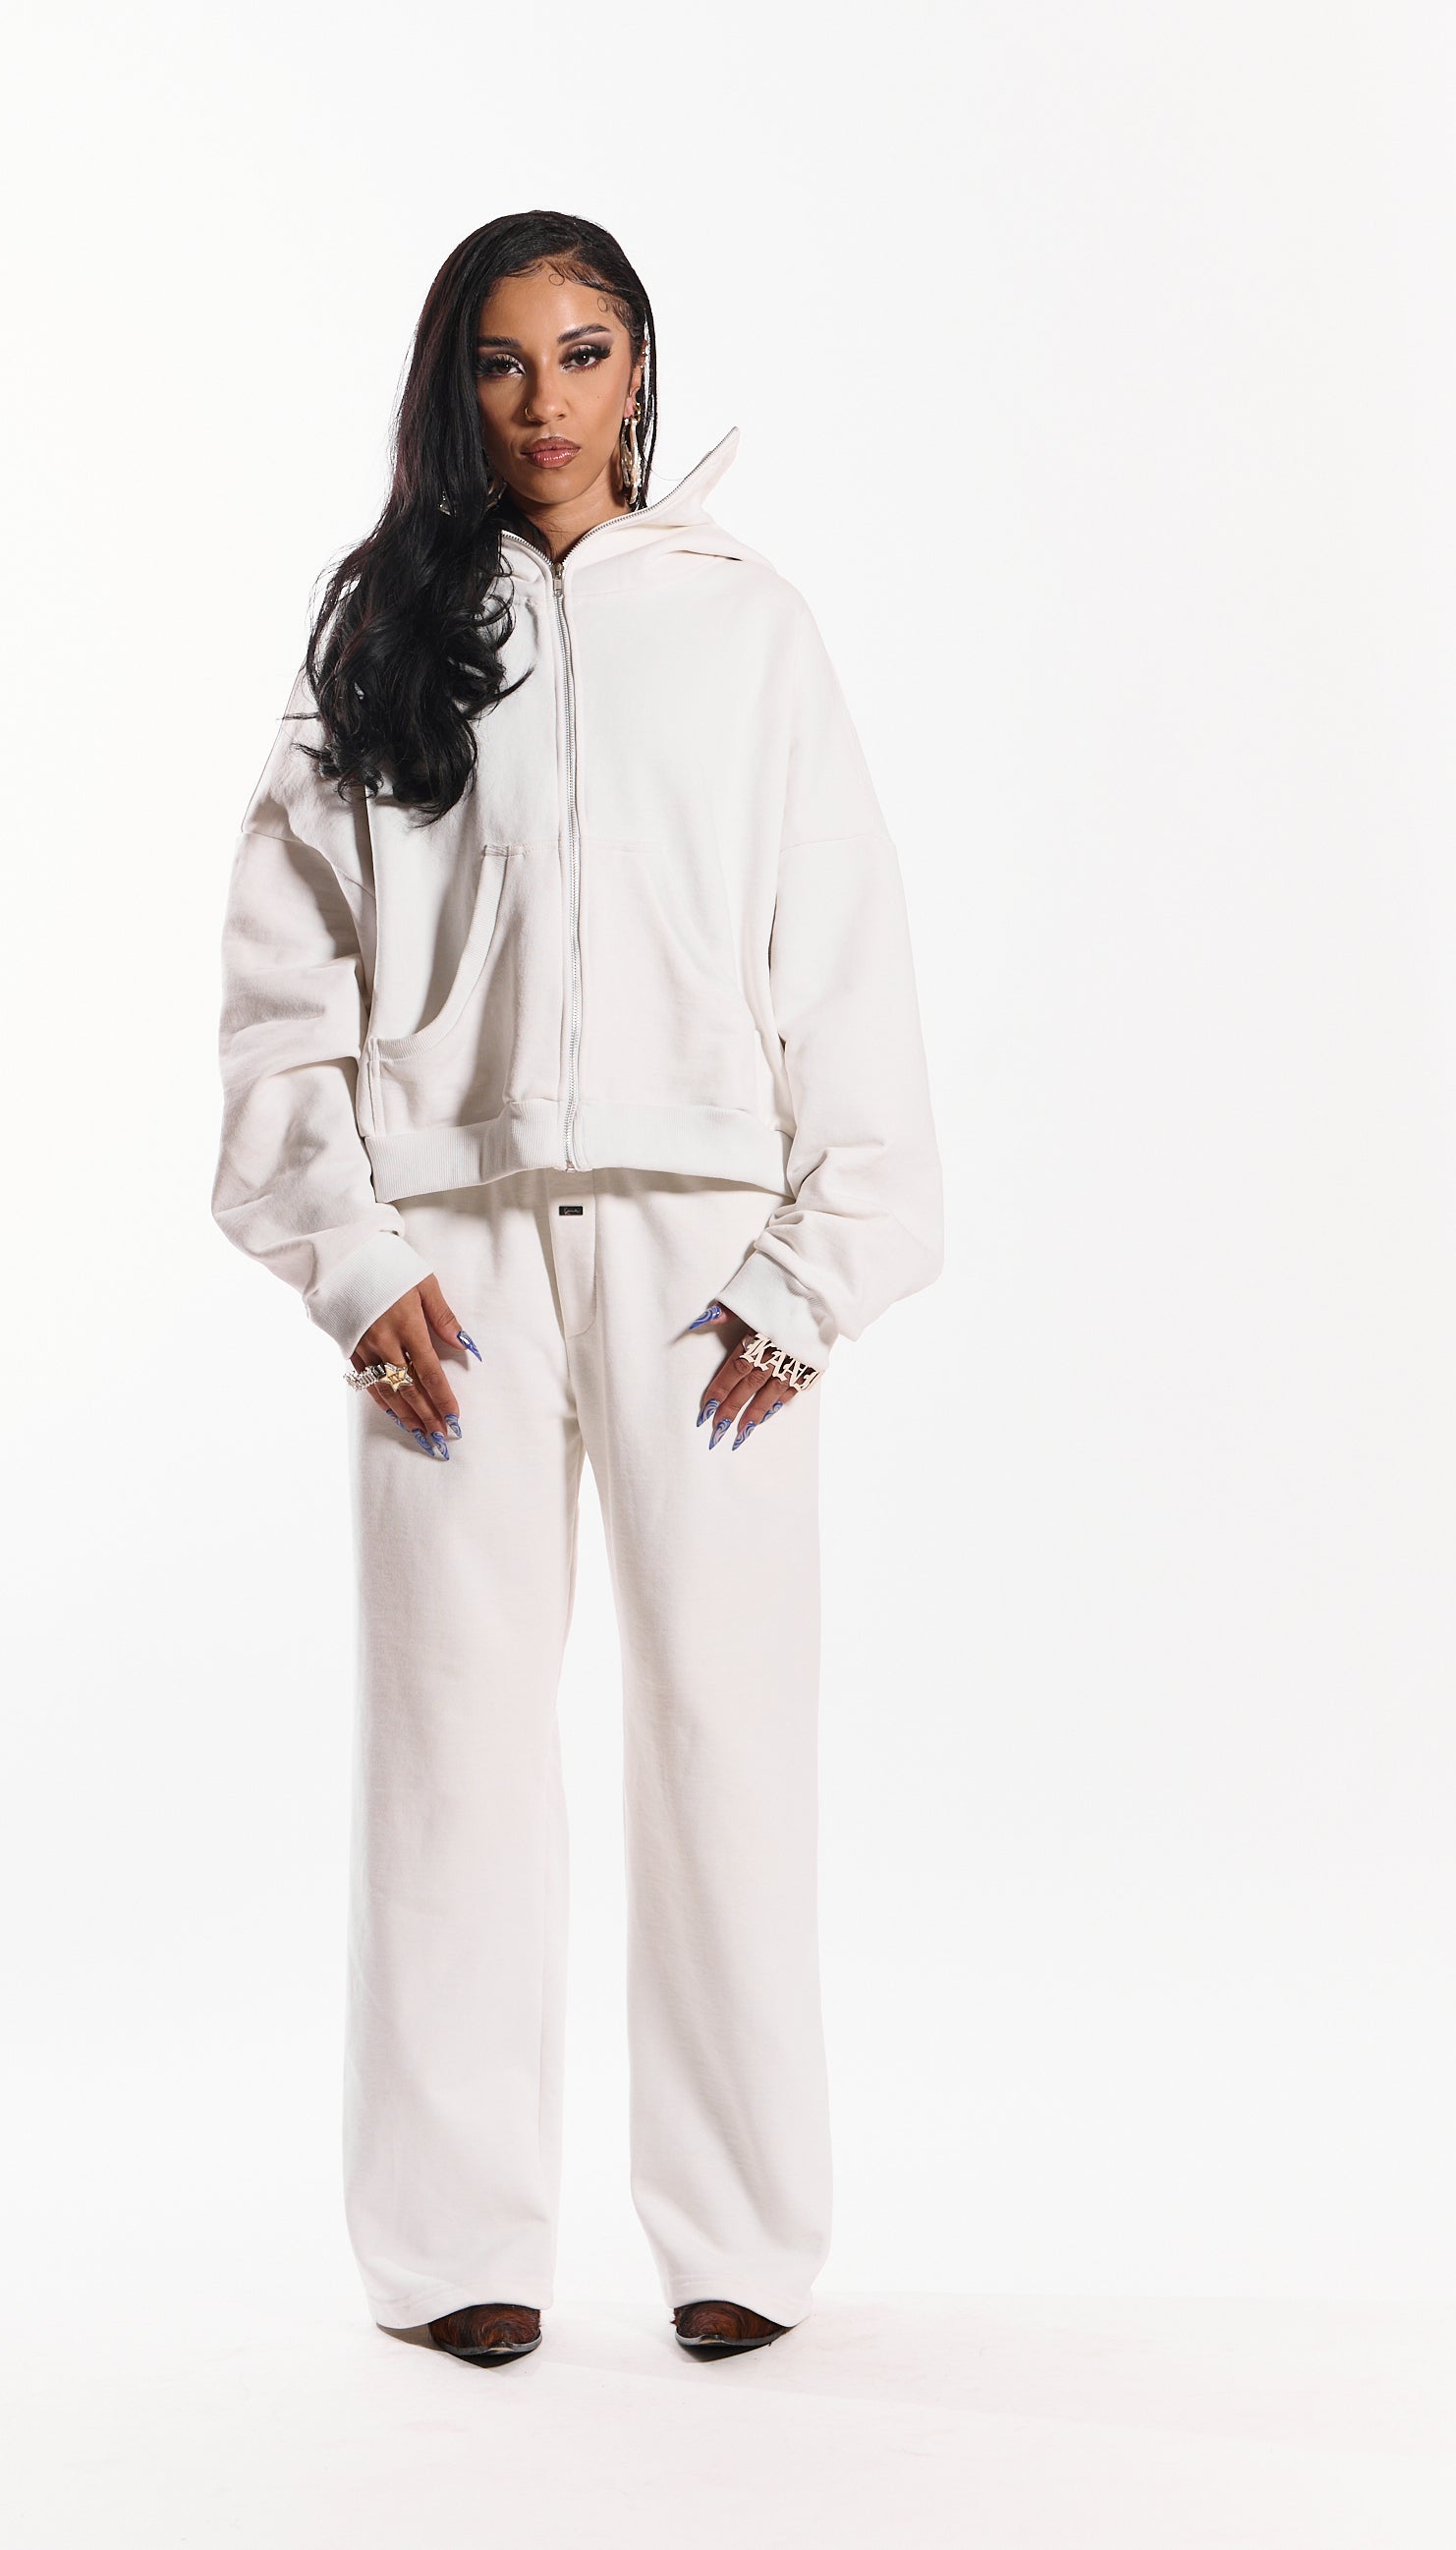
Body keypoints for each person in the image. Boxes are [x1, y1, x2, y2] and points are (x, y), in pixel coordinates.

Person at [211, 209, 944, 2368]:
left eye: (587, 350)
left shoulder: (746, 628)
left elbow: (847, 956)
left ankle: (740, 2236)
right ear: (456, 383)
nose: (547, 400)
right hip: (445, 1274)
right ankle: (454, 2245)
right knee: (448, 1749)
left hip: (709, 1269)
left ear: (641, 369)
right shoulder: (382, 631)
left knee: (726, 1736)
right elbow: (283, 988)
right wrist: (351, 1255)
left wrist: (814, 1272)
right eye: (504, 359)